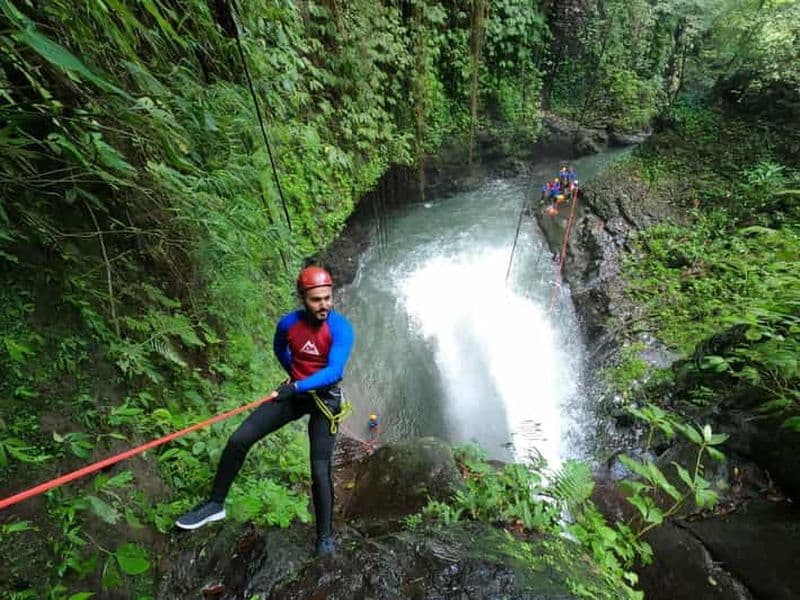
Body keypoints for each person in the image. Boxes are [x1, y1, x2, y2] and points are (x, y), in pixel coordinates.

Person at [175, 266, 355, 558]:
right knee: (238, 439)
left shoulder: (341, 328)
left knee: (320, 471)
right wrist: (292, 376)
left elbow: (335, 371)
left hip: (324, 401)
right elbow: (279, 348)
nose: (324, 305)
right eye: (316, 300)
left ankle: (324, 538)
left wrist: (296, 385)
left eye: (327, 297)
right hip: (294, 394)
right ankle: (215, 505)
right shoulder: (288, 324)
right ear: (302, 298)